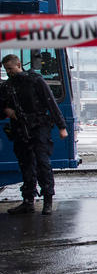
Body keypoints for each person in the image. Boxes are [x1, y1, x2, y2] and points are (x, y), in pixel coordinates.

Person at [0, 54, 68, 215]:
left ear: (18, 64)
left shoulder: (35, 80)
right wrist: (7, 111)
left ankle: (47, 201)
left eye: (10, 68)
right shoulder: (7, 86)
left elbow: (50, 102)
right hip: (20, 129)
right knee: (26, 165)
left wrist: (62, 127)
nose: (9, 72)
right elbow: (1, 108)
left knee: (42, 163)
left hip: (38, 127)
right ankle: (28, 201)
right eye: (6, 70)